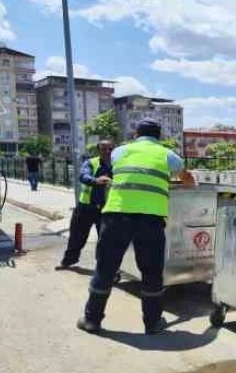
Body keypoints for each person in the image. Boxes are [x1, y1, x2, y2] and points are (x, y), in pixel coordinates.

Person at [77, 120, 195, 335]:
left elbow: (126, 172)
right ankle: (152, 323)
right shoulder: (168, 155)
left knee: (105, 268)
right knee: (151, 272)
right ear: (159, 137)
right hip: (150, 220)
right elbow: (187, 180)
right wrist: (178, 181)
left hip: (116, 215)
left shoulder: (120, 151)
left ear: (136, 134)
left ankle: (91, 319)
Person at [58, 140, 114, 269]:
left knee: (105, 241)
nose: (107, 152)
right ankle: (69, 260)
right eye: (103, 149)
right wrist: (96, 180)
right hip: (86, 207)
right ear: (98, 150)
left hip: (106, 209)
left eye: (110, 149)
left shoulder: (116, 166)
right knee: (77, 237)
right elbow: (83, 176)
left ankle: (105, 267)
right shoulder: (91, 163)